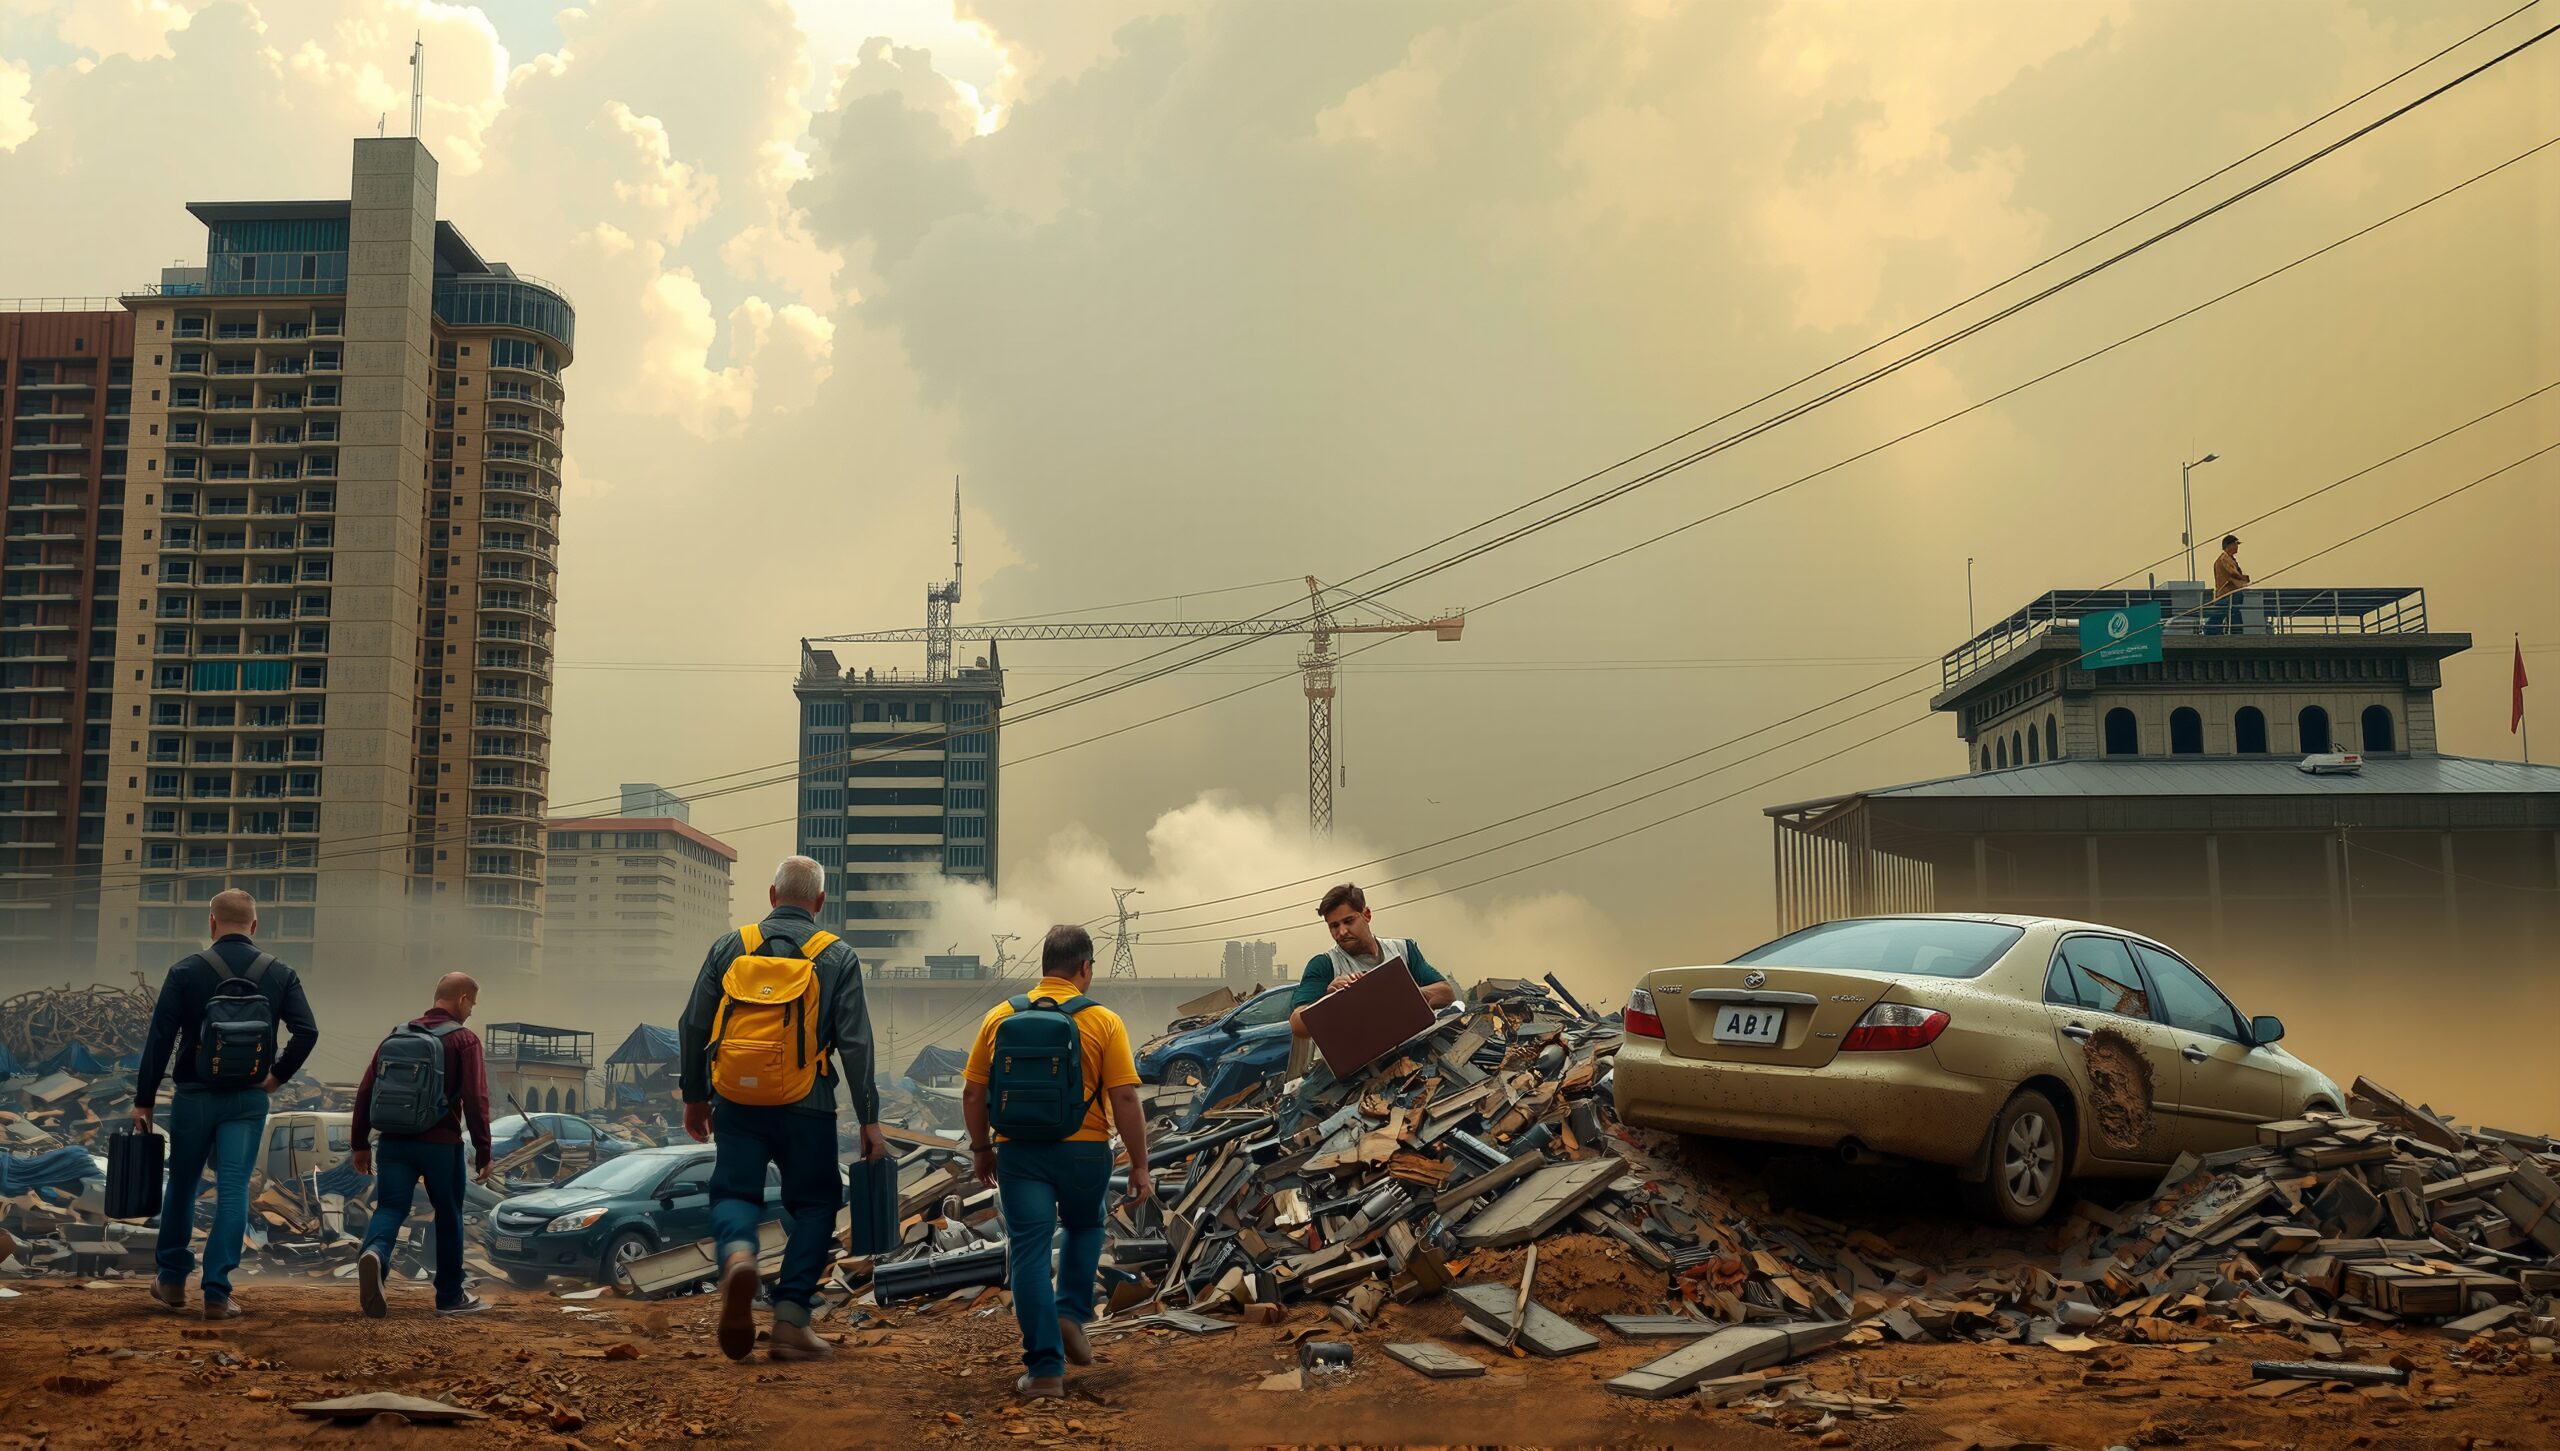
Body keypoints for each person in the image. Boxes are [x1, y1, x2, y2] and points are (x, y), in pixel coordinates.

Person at [679, 855, 887, 1363]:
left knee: (733, 1190)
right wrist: (869, 1118)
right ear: (819, 902)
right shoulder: (836, 955)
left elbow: (693, 1025)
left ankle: (738, 1256)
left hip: (736, 1099)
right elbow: (856, 1044)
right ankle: (792, 1318)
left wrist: (695, 1096)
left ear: (772, 896)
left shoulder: (731, 946)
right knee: (815, 1205)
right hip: (807, 1104)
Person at [961, 924, 1150, 1400]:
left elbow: (972, 1092)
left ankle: (1045, 1371)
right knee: (1085, 1228)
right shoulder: (1103, 1021)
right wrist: (1142, 1165)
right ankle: (1070, 1313)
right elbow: (1124, 1097)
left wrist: (983, 1148)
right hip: (1085, 1150)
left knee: (1028, 1250)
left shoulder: (1000, 1016)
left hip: (1020, 1152)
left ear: (1044, 967)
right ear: (1085, 968)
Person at [132, 889, 319, 1320]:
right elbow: (307, 1032)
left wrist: (144, 1099)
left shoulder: (185, 971)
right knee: (233, 1190)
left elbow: (160, 1039)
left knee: (182, 1185)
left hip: (194, 1097)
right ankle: (217, 1292)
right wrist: (275, 1076)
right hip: (247, 1100)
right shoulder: (280, 973)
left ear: (211, 923)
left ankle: (173, 1281)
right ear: (254, 926)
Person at [351, 972, 495, 1318]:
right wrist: (484, 1151)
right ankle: (449, 1296)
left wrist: (360, 1143)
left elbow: (367, 1089)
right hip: (440, 1145)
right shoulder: (464, 1040)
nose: (472, 1011)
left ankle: (375, 1255)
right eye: (472, 1003)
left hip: (393, 1143)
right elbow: (476, 1100)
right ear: (462, 999)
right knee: (448, 1215)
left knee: (389, 1209)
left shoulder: (398, 1035)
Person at [1287, 883, 1458, 1067]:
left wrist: (1401, 993)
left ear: (1366, 915)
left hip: (1408, 1061)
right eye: (1334, 926)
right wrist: (1329, 1001)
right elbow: (1298, 1024)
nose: (1342, 932)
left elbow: (1446, 993)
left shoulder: (1403, 950)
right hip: (1354, 1072)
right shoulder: (1324, 965)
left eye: (1348, 921)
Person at [2210, 533, 2250, 636]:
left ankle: (2217, 631)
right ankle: (2234, 633)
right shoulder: (2224, 558)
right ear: (2229, 545)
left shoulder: (2229, 558)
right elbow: (2232, 572)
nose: (2237, 547)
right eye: (2235, 544)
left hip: (2229, 593)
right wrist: (2244, 578)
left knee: (2228, 613)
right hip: (2227, 593)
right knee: (2229, 613)